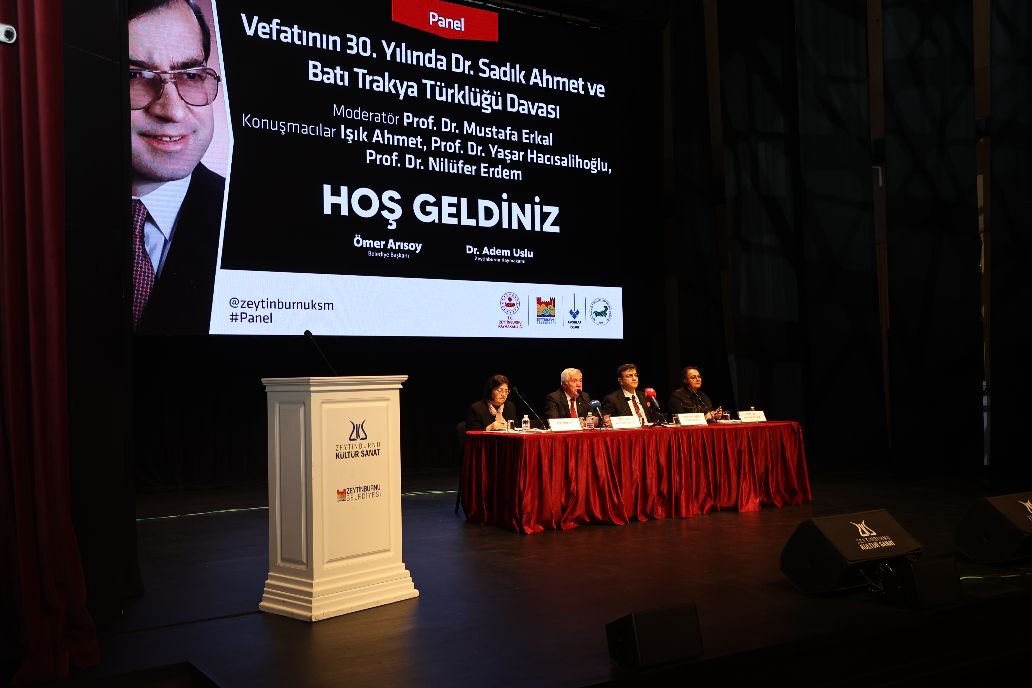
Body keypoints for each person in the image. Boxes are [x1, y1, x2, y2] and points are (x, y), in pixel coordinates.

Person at [129, 0, 225, 333]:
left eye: (190, 75)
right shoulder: (33, 215)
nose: (173, 111)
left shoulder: (258, 222)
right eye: (135, 76)